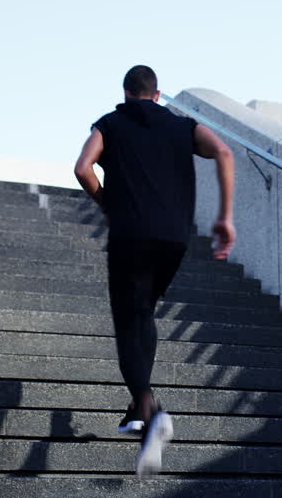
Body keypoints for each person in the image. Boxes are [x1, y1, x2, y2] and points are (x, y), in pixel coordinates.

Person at [73, 65, 236, 476]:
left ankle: (150, 412)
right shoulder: (183, 126)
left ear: (127, 93)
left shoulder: (110, 124)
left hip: (130, 235)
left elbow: (82, 168)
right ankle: (136, 408)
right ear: (158, 94)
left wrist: (107, 203)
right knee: (143, 310)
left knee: (129, 320)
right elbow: (224, 152)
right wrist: (225, 218)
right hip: (174, 239)